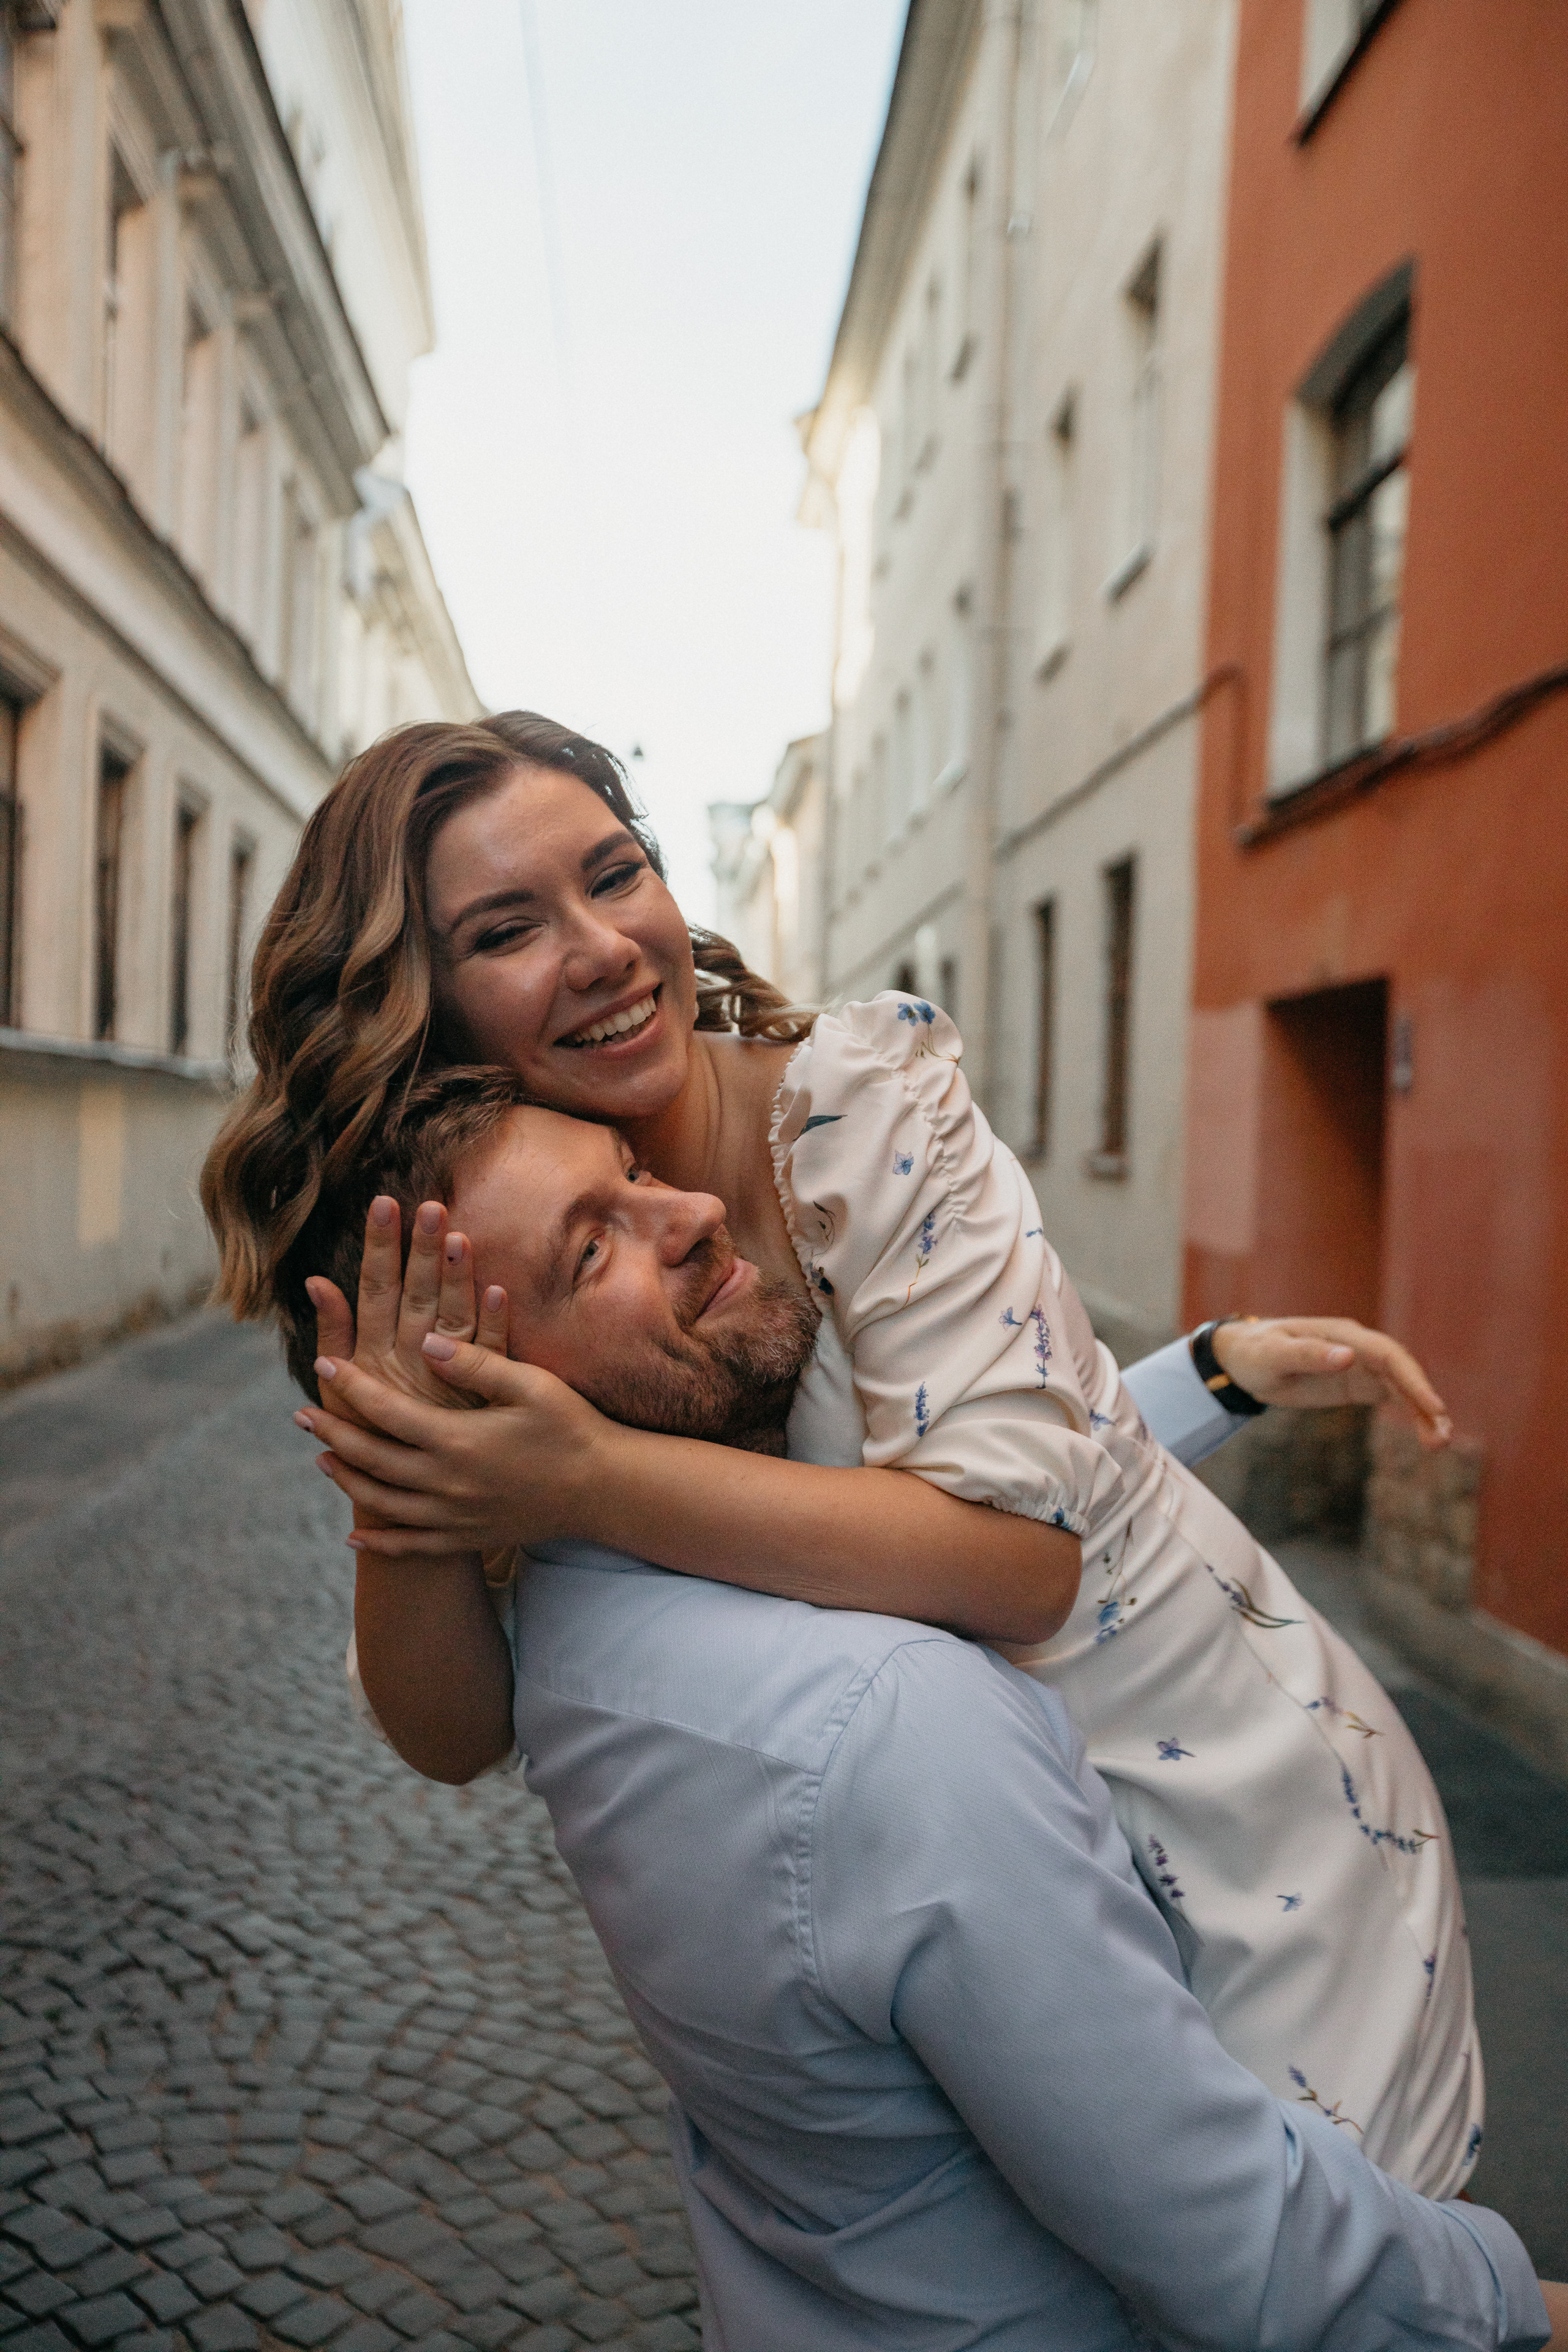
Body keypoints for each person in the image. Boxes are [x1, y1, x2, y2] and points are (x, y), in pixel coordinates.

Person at [203, 710, 1479, 2195]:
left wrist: (582, 1477)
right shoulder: (489, 1229)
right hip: (980, 1913)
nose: (604, 947)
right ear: (429, 1007)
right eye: (506, 929)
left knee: (1348, 2280)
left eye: (617, 875)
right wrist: (405, 1483)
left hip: (1252, 1831)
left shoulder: (867, 1109)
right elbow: (452, 1726)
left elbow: (1017, 1561)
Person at [293, 1072, 1562, 2352]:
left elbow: (961, 1471)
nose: (684, 1209)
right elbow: (1240, 2247)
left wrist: (1205, 1374)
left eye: (633, 1170)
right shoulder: (885, 1722)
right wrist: (1516, 2304)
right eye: (589, 1246)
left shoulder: (584, 1629)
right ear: (472, 1406)